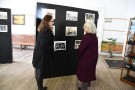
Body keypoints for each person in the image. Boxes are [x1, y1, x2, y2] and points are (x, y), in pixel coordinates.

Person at [32, 15, 54, 90]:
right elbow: (43, 45)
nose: (53, 23)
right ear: (47, 22)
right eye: (52, 21)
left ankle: (39, 87)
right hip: (42, 55)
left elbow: (41, 43)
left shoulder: (42, 29)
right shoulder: (47, 31)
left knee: (38, 71)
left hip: (38, 53)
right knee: (40, 72)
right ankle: (40, 88)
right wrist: (51, 49)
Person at [76, 20, 98, 90]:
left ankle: (84, 89)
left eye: (86, 27)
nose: (84, 28)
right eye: (84, 26)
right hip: (93, 58)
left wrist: (78, 55)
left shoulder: (87, 36)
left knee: (85, 75)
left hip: (87, 59)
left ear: (90, 28)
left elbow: (81, 49)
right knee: (89, 73)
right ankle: (86, 87)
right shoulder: (94, 36)